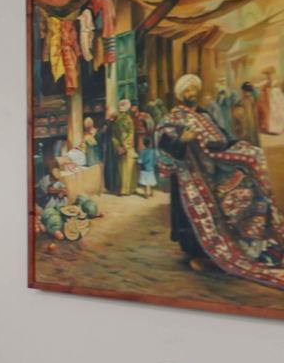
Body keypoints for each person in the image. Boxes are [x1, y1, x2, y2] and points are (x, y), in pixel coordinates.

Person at [156, 73, 284, 287]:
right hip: (189, 177)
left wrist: (239, 147)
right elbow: (165, 144)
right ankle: (198, 253)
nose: (191, 93)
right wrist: (182, 140)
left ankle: (243, 243)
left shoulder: (204, 114)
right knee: (190, 220)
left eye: (193, 89)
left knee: (246, 189)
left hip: (214, 171)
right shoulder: (173, 119)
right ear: (181, 95)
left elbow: (222, 137)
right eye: (187, 91)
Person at [105, 100, 138, 196]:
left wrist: (119, 147)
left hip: (122, 147)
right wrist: (125, 146)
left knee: (123, 169)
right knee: (128, 168)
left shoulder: (117, 120)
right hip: (127, 147)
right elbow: (131, 134)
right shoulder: (128, 119)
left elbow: (114, 137)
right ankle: (127, 190)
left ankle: (124, 189)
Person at [266, 68, 284, 137]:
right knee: (274, 112)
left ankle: (279, 129)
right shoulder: (270, 81)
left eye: (270, 74)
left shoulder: (276, 81)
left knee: (279, 112)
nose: (269, 76)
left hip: (277, 95)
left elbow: (279, 87)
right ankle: (275, 130)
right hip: (274, 95)